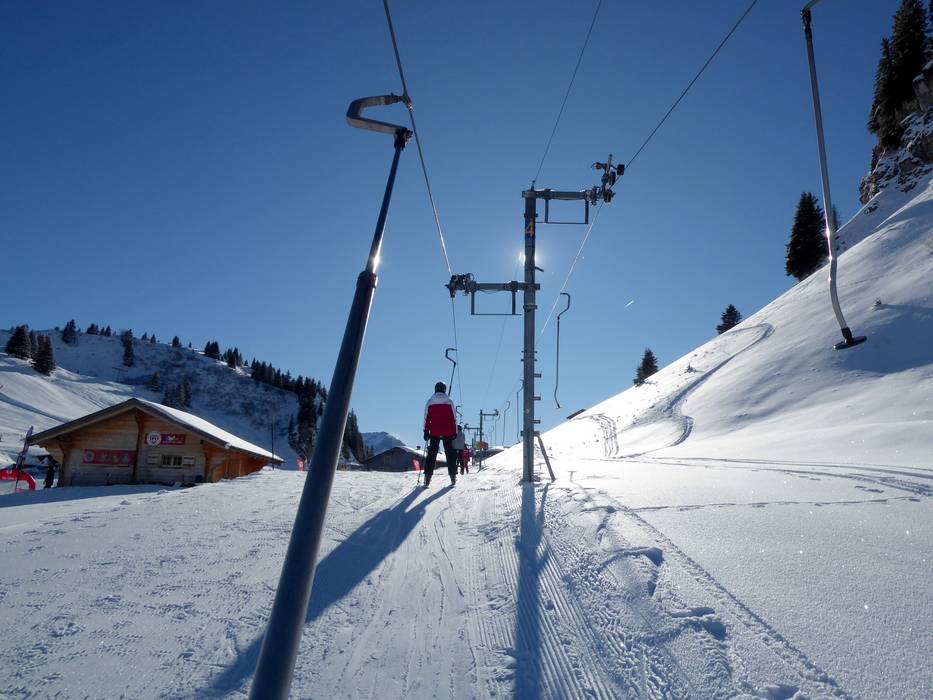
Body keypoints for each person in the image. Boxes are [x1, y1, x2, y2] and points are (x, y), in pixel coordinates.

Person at [423, 382, 458, 487]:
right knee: (450, 454)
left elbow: (426, 418)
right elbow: (453, 418)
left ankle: (427, 478)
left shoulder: (430, 402)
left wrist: (426, 431)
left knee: (431, 454)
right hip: (448, 431)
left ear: (435, 389)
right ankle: (453, 477)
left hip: (434, 431)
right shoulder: (449, 402)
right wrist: (455, 432)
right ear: (444, 390)